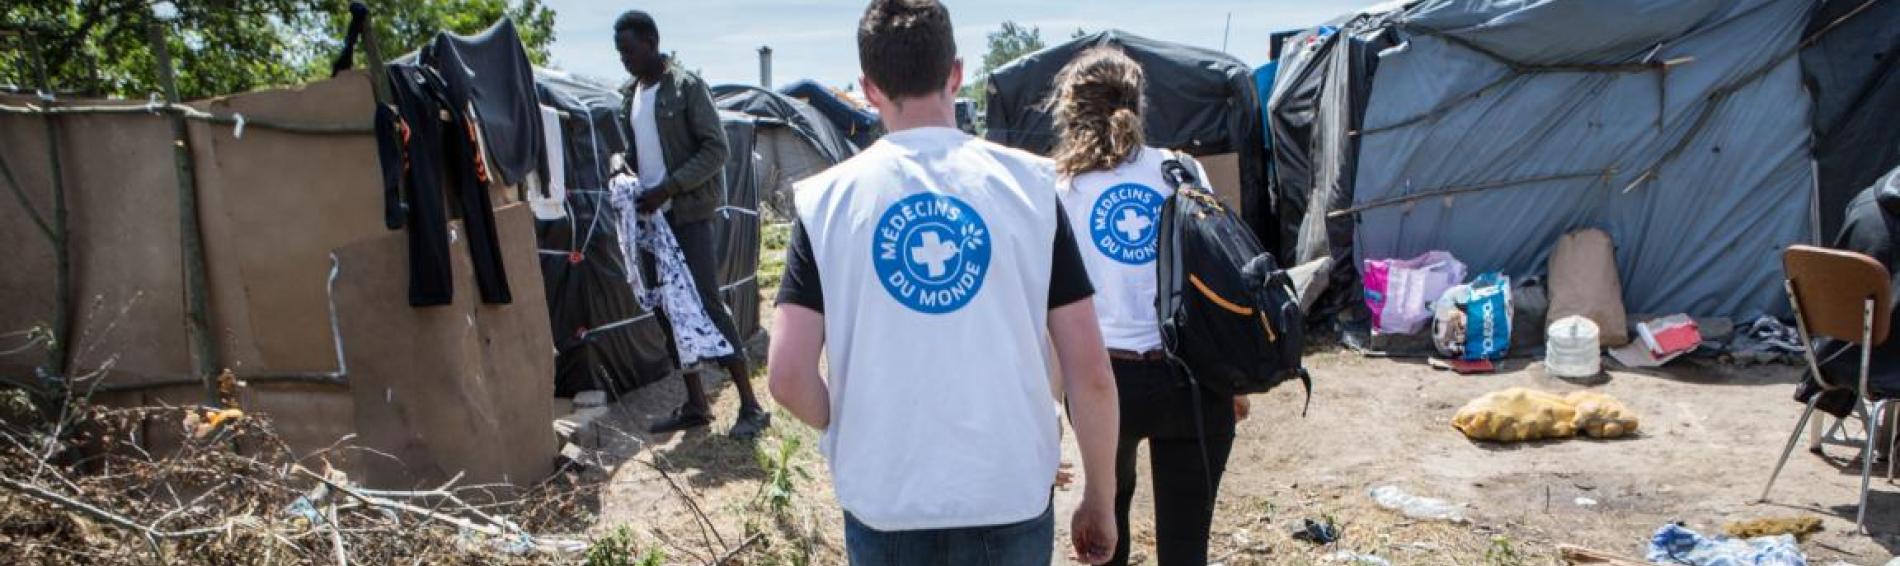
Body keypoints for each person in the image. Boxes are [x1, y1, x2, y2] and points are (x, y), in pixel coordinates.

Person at [766, 1, 1121, 564]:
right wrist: (1099, 498)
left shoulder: (827, 201)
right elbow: (1091, 373)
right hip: (1008, 494)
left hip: (885, 498)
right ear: (955, 73)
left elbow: (786, 376)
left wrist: (849, 422)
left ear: (869, 87)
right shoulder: (1031, 188)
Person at [1047, 47, 1250, 566]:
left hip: (1102, 386)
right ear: (1139, 104)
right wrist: (1234, 379)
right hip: (1193, 378)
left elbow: (1049, 317)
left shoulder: (1059, 191)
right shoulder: (1181, 170)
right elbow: (1217, 273)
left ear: (1070, 111)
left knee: (1102, 544)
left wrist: (1045, 408)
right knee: (1187, 551)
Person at [612, 10, 769, 439]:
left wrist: (671, 187)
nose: (624, 59)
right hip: (650, 221)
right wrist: (623, 168)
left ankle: (751, 405)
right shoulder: (632, 95)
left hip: (688, 215)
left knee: (706, 302)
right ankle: (697, 404)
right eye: (619, 53)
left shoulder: (684, 87)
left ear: (651, 41)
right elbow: (639, 152)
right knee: (667, 307)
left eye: (629, 50)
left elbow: (716, 149)